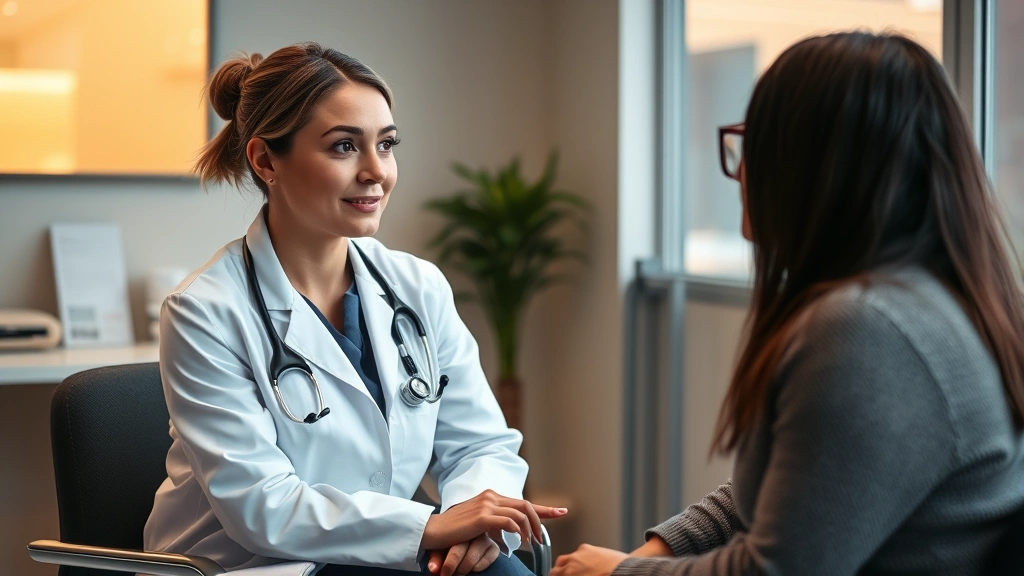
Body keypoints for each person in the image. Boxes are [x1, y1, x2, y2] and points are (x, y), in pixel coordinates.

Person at [551, 31, 1024, 575]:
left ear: (812, 166)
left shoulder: (866, 332)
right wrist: (662, 549)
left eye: (753, 143)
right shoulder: (929, 303)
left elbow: (777, 571)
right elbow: (805, 487)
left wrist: (618, 574)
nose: (741, 170)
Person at [143, 43, 566, 576]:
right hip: (250, 565)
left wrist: (473, 518)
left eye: (386, 145)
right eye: (344, 147)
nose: (376, 172)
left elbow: (479, 443)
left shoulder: (417, 286)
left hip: (380, 555)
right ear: (265, 159)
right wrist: (429, 527)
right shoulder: (203, 312)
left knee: (495, 570)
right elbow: (261, 507)